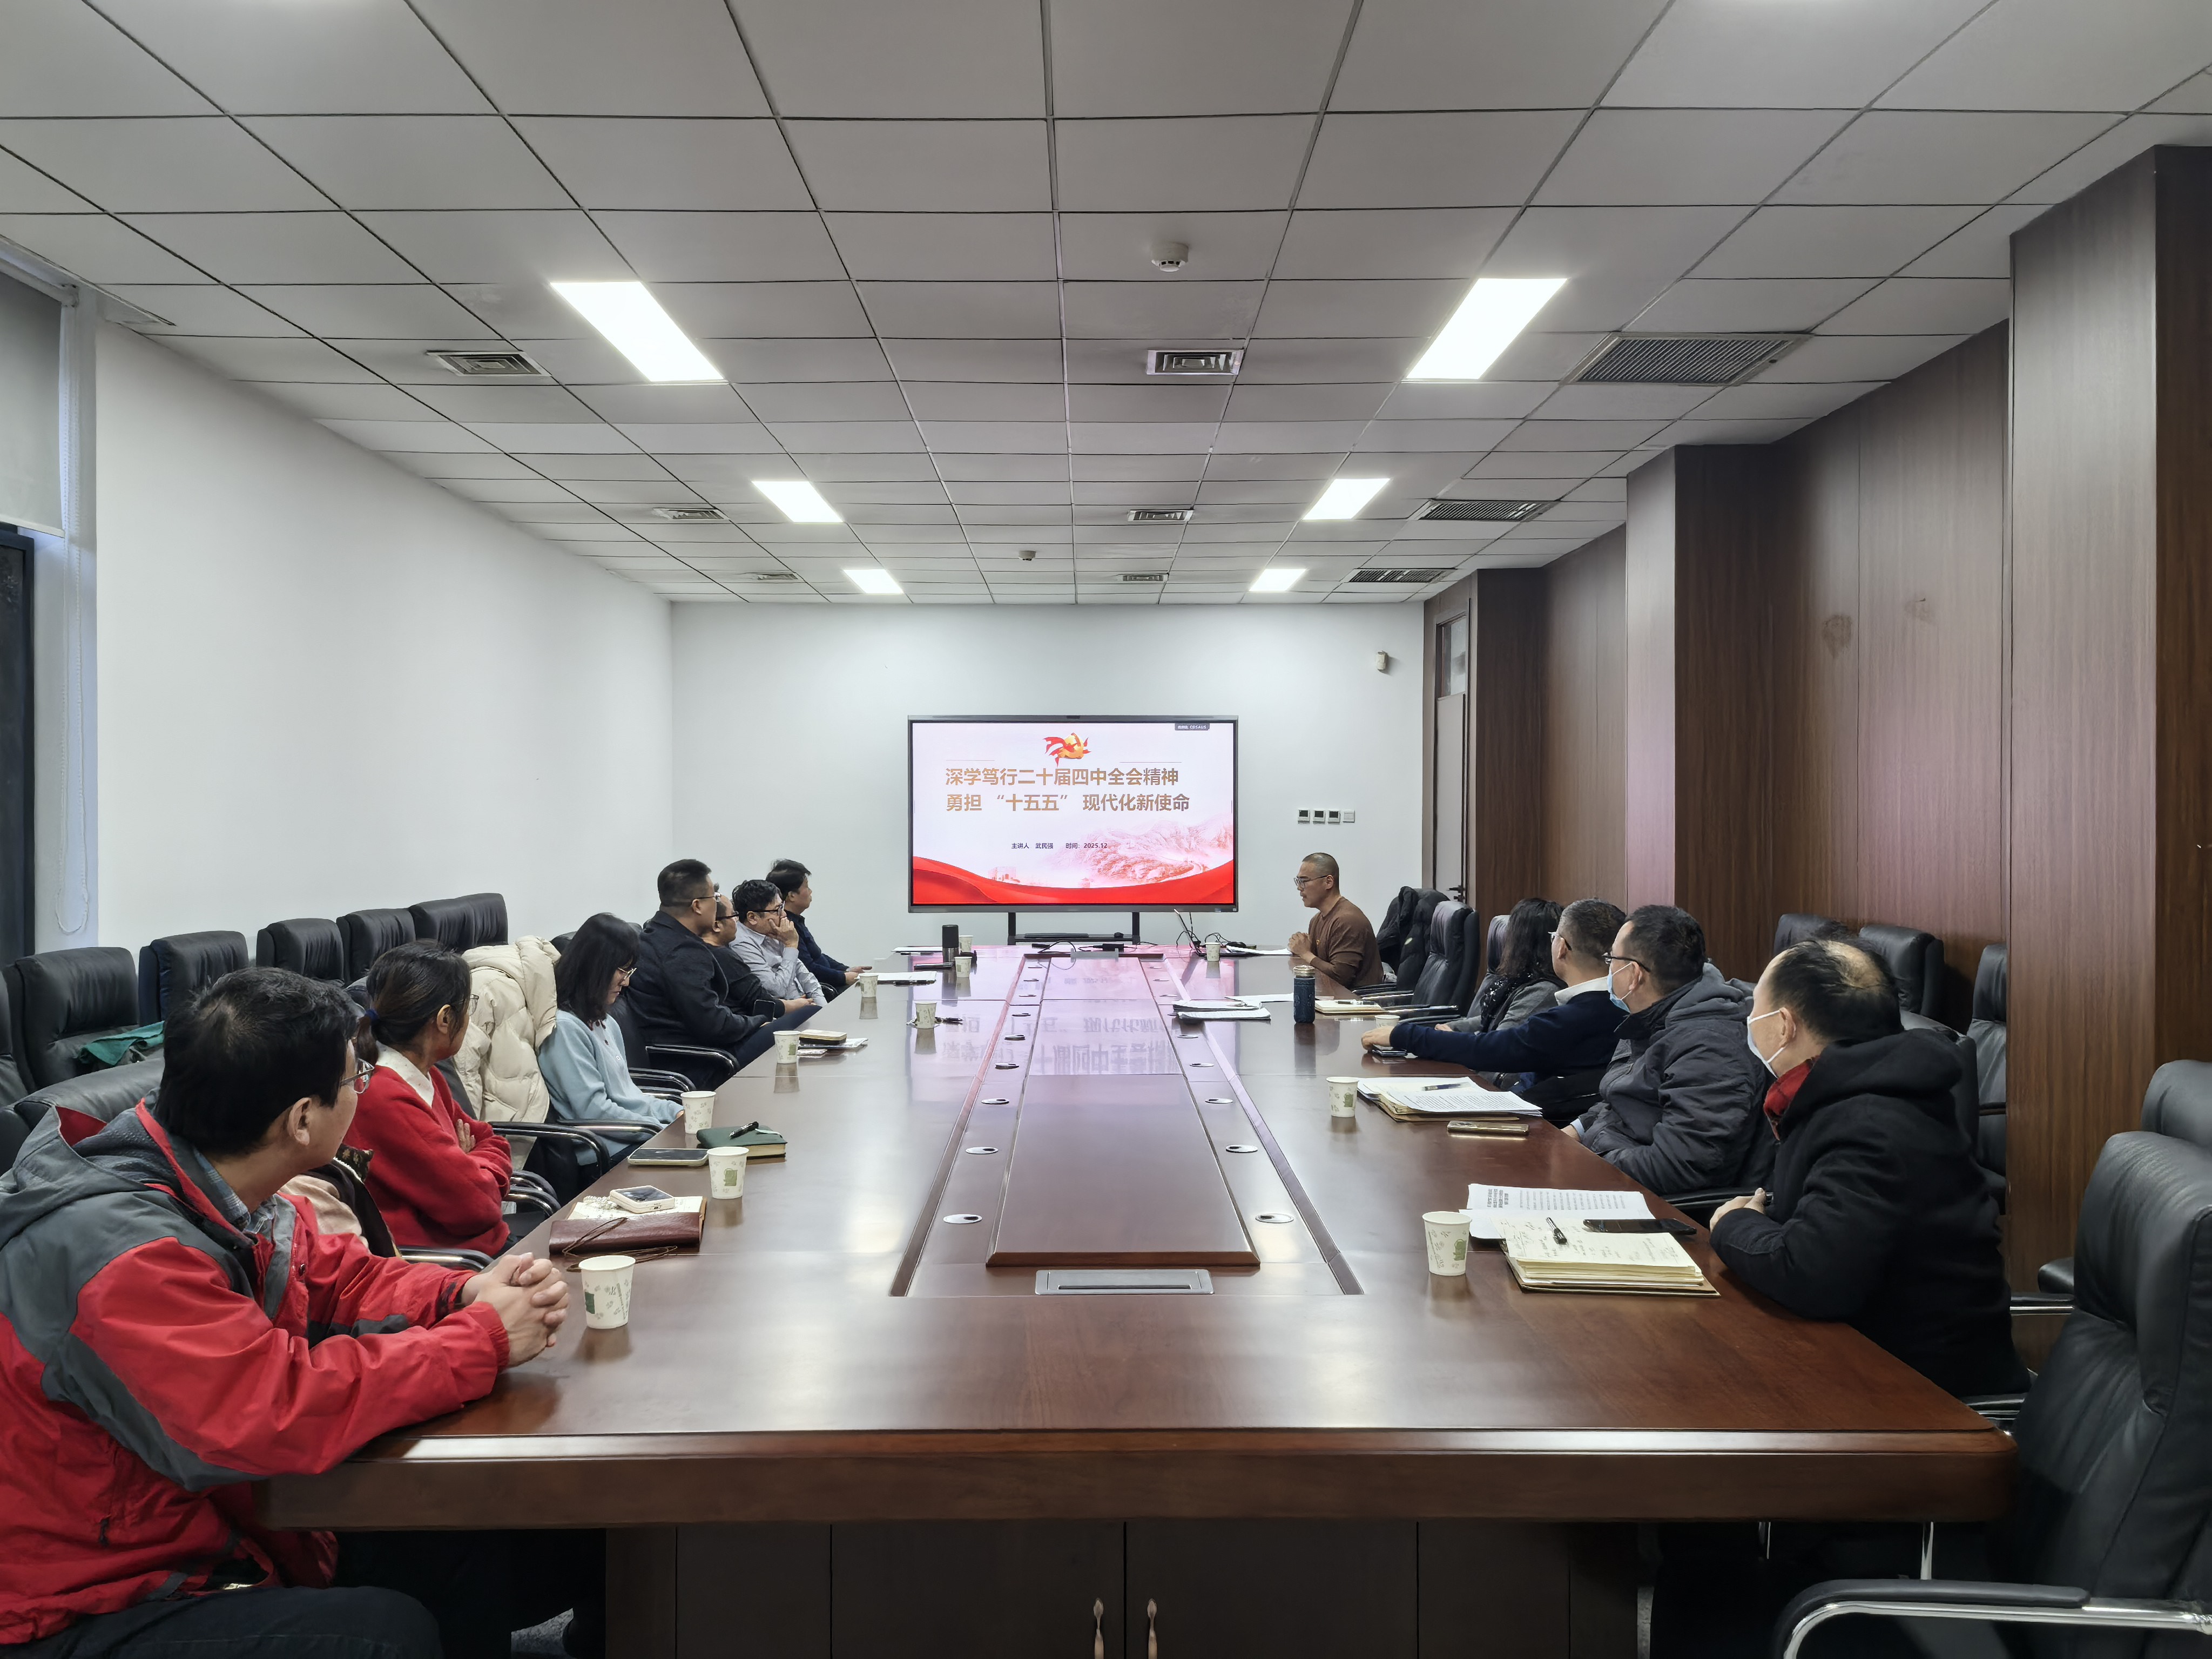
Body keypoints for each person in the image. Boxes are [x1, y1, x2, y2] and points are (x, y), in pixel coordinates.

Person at [0, 967, 581, 1658]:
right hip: (84, 1595)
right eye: (355, 1078)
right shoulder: (122, 1254)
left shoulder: (218, 1180)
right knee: (386, 1636)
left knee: (486, 1536)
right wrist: (480, 1340)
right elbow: (267, 1410)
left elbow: (340, 1279)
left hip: (211, 1524)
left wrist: (461, 1294)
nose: (363, 1089)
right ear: (302, 1119)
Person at [1710, 938, 2026, 1397]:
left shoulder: (1871, 1123)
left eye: (1755, 1008)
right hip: (1857, 1352)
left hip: (1919, 1391)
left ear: (1783, 1026)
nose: (1748, 1020)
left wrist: (1733, 1223)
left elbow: (1811, 1274)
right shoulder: (1854, 1088)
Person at [1569, 905, 1773, 1196]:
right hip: (1610, 1170)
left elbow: (1679, 1167)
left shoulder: (1710, 1050)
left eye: (1611, 959)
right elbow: (1625, 1101)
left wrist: (1588, 1163)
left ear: (1634, 974)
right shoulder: (1653, 1015)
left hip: (1649, 1203)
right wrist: (1576, 1132)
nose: (1608, 968)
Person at [1363, 898, 1627, 1124]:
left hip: (1542, 1128)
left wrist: (1403, 1035)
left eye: (1554, 937)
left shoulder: (1572, 1018)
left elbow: (1494, 1049)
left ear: (1561, 948)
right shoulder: (1621, 1006)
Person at [348, 941, 526, 1256]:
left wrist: (470, 1163)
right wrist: (470, 1163)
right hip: (449, 1263)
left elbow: (490, 1139)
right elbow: (478, 1206)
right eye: (467, 1006)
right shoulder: (385, 1097)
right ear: (445, 1019)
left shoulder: (425, 1074)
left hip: (474, 1250)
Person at [625, 860, 781, 1087]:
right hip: (702, 1062)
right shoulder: (681, 952)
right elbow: (715, 1026)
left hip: (689, 1052)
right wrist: (758, 1022)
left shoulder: (654, 934)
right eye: (714, 898)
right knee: (799, 1023)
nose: (717, 904)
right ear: (697, 906)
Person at [538, 912, 682, 1147]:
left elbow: (630, 1097)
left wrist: (675, 1111)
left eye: (629, 971)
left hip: (637, 1135)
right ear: (595, 968)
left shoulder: (605, 1021)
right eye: (622, 971)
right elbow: (594, 1111)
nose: (626, 982)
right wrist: (660, 1129)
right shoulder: (565, 1029)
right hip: (608, 1149)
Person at [1449, 897, 1563, 1034]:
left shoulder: (1543, 990)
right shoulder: (1522, 977)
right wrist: (1451, 1027)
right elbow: (1493, 1019)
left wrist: (1452, 1038)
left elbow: (1499, 1039)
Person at [726, 878, 828, 1010]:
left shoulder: (771, 930)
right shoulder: (742, 944)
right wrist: (791, 946)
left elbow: (806, 977)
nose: (784, 914)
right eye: (777, 910)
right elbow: (778, 990)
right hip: (784, 1014)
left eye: (782, 907)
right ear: (752, 917)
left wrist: (823, 1010)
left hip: (806, 1005)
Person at [1286, 852, 1381, 988]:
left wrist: (1305, 953)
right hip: (1328, 995)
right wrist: (1302, 950)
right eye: (1298, 881)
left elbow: (1340, 978)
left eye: (1304, 881)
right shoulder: (1316, 920)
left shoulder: (1347, 921)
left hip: (1354, 998)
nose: (1299, 888)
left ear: (1328, 882)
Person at [767, 859, 862, 988]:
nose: (810, 891)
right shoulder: (787, 926)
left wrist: (846, 970)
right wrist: (843, 977)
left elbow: (818, 956)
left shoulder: (797, 921)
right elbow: (809, 968)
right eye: (807, 887)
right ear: (792, 896)